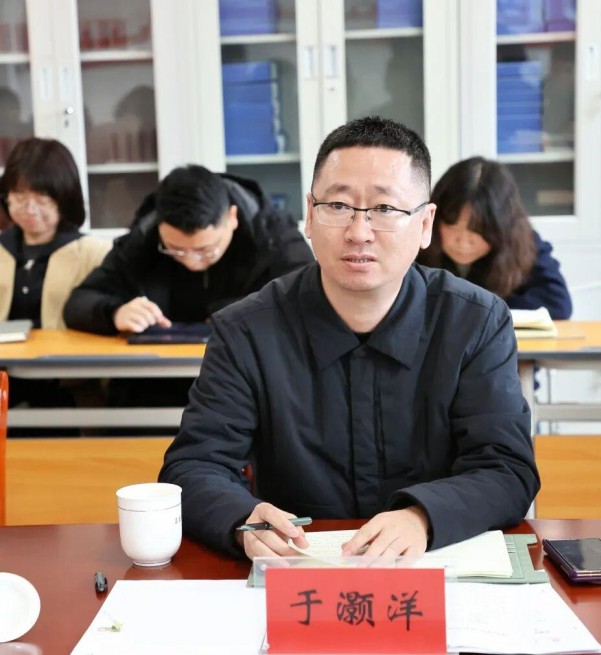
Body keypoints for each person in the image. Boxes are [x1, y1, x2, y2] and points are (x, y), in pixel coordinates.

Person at [159, 116, 540, 560]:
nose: (359, 232)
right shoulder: (246, 331)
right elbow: (193, 466)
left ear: (425, 224)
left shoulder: (475, 322)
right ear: (309, 215)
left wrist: (422, 517)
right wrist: (242, 519)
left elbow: (507, 468)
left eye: (385, 209)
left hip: (435, 568)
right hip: (295, 571)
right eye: (338, 206)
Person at [63, 164, 314, 335]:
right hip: (160, 376)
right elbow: (78, 303)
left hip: (248, 373)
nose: (192, 262)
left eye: (206, 250)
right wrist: (115, 313)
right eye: (175, 249)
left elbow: (307, 300)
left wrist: (232, 313)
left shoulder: (273, 236)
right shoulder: (143, 238)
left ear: (232, 218)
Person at [0, 137, 111, 409]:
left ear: (64, 198)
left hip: (69, 385)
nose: (30, 209)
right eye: (20, 197)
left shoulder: (94, 252)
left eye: (42, 199)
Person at [416, 156, 572, 320]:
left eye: (479, 230)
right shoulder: (414, 240)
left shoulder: (522, 241)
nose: (463, 242)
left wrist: (483, 308)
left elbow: (558, 303)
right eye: (452, 226)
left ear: (503, 226)